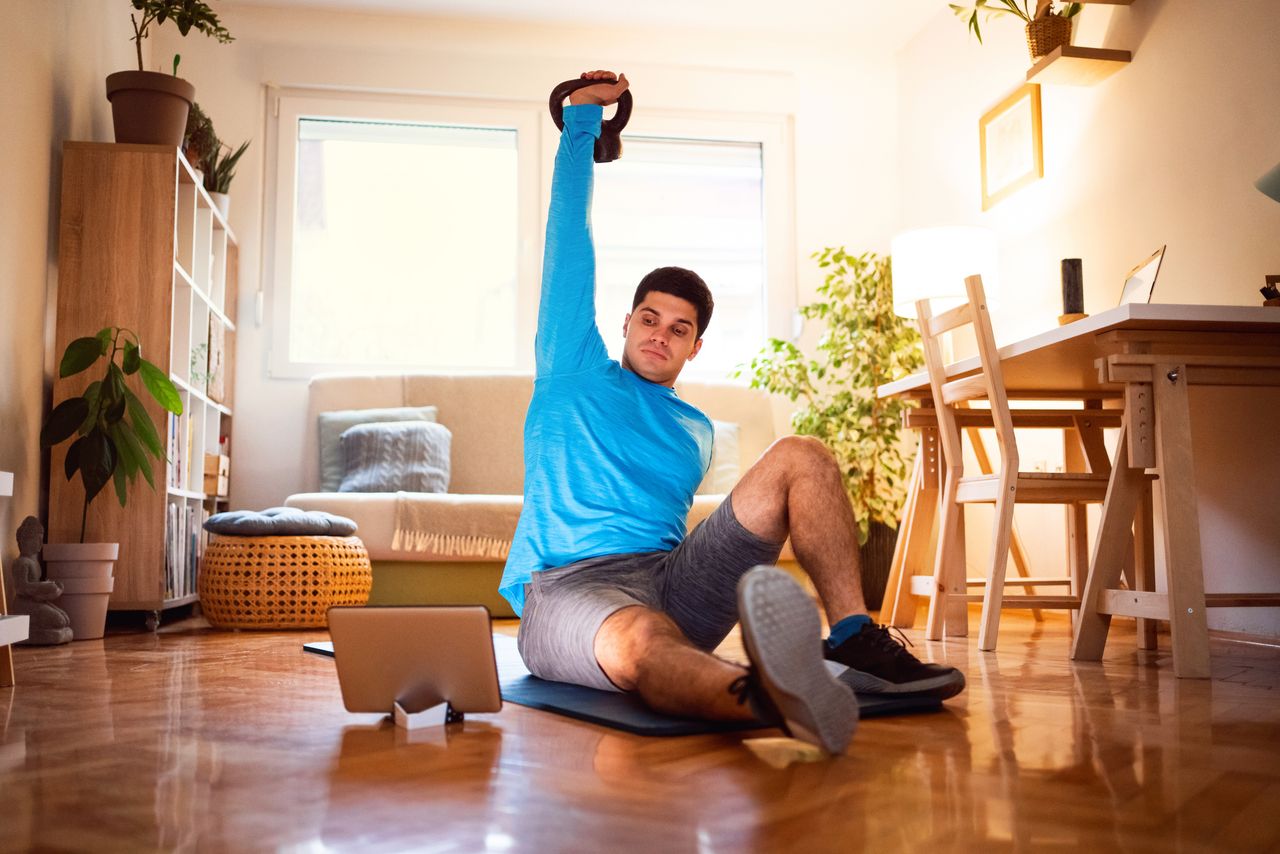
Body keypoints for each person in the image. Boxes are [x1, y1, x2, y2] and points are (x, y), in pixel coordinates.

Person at [499, 70, 964, 754]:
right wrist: (580, 126)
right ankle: (775, 700)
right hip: (573, 590)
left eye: (679, 328)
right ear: (624, 324)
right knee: (642, 640)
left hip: (672, 578)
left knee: (801, 455)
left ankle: (852, 636)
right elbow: (568, 245)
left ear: (694, 347)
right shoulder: (572, 372)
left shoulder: (694, 432)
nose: (660, 333)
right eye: (649, 318)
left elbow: (700, 534)